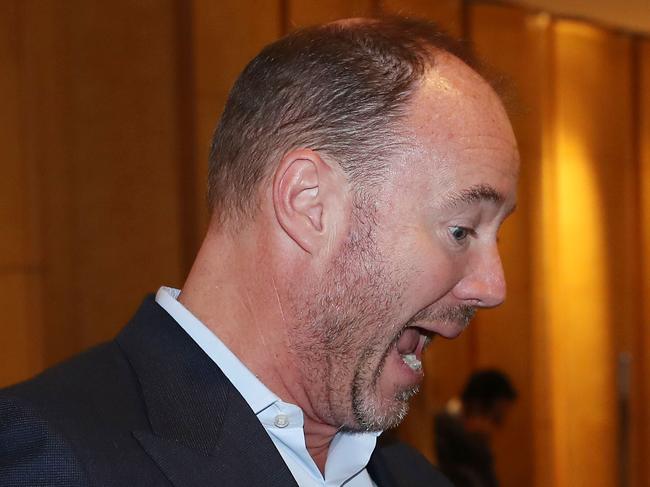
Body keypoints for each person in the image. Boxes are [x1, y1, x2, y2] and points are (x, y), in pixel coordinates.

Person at [0, 16, 519, 487]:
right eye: (460, 230)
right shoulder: (49, 459)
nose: (492, 287)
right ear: (308, 203)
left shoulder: (414, 478)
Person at [434, 369, 518, 487]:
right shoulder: (441, 440)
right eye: (496, 419)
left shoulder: (472, 442)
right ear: (476, 407)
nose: (496, 430)